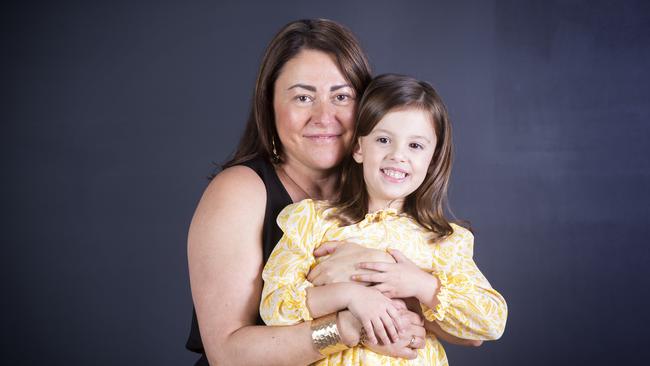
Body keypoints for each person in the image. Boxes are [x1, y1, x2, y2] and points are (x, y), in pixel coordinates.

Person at [187, 19, 436, 365]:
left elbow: (465, 328)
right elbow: (227, 354)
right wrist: (346, 329)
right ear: (269, 106)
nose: (324, 116)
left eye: (341, 96)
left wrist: (407, 283)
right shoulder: (239, 192)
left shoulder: (386, 181)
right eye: (303, 97)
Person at [260, 74, 508, 365]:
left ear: (433, 158)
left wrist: (420, 285)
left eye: (415, 146)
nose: (397, 156)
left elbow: (489, 323)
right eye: (383, 140)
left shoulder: (443, 241)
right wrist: (350, 296)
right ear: (359, 148)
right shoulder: (311, 221)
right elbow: (274, 306)